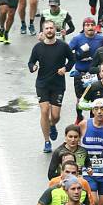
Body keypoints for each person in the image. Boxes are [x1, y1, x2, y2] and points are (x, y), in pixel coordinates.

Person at [27, 17, 72, 153]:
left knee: (56, 116)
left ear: (55, 30)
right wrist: (33, 67)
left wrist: (66, 68)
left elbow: (72, 59)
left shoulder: (63, 46)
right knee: (45, 111)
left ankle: (52, 125)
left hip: (58, 84)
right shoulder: (38, 47)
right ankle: (47, 141)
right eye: (46, 28)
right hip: (42, 84)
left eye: (51, 28)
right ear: (43, 31)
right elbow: (30, 62)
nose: (49, 30)